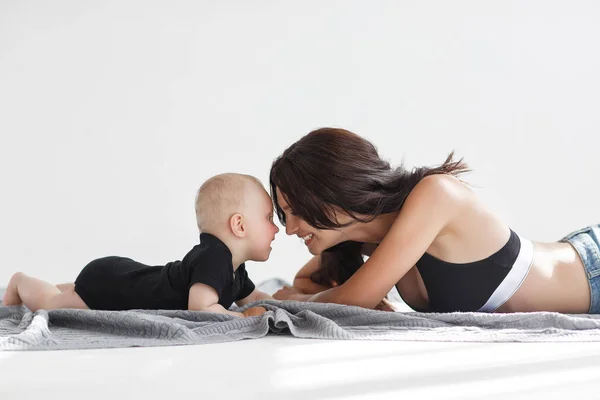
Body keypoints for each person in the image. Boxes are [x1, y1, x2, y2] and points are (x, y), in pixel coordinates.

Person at [269, 127, 596, 314]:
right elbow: (307, 283)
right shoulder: (359, 241)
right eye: (285, 215)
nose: (291, 229)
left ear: (331, 192)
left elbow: (350, 299)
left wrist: (290, 300)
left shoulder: (435, 194)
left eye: (296, 212)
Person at [3, 173, 278, 318]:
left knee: (74, 292)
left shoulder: (233, 266)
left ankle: (71, 288)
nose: (277, 227)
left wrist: (284, 303)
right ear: (239, 226)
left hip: (122, 274)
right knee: (53, 305)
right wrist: (242, 320)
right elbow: (202, 308)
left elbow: (253, 298)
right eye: (268, 218)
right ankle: (21, 282)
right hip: (110, 288)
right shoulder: (213, 258)